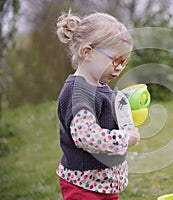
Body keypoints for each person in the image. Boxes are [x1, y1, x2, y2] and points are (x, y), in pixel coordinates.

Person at [56, 10, 140, 200]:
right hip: (84, 185)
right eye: (116, 60)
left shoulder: (99, 86)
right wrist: (124, 139)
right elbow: (87, 136)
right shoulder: (78, 92)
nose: (119, 67)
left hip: (103, 183)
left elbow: (105, 120)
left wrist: (126, 111)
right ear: (88, 52)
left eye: (124, 62)